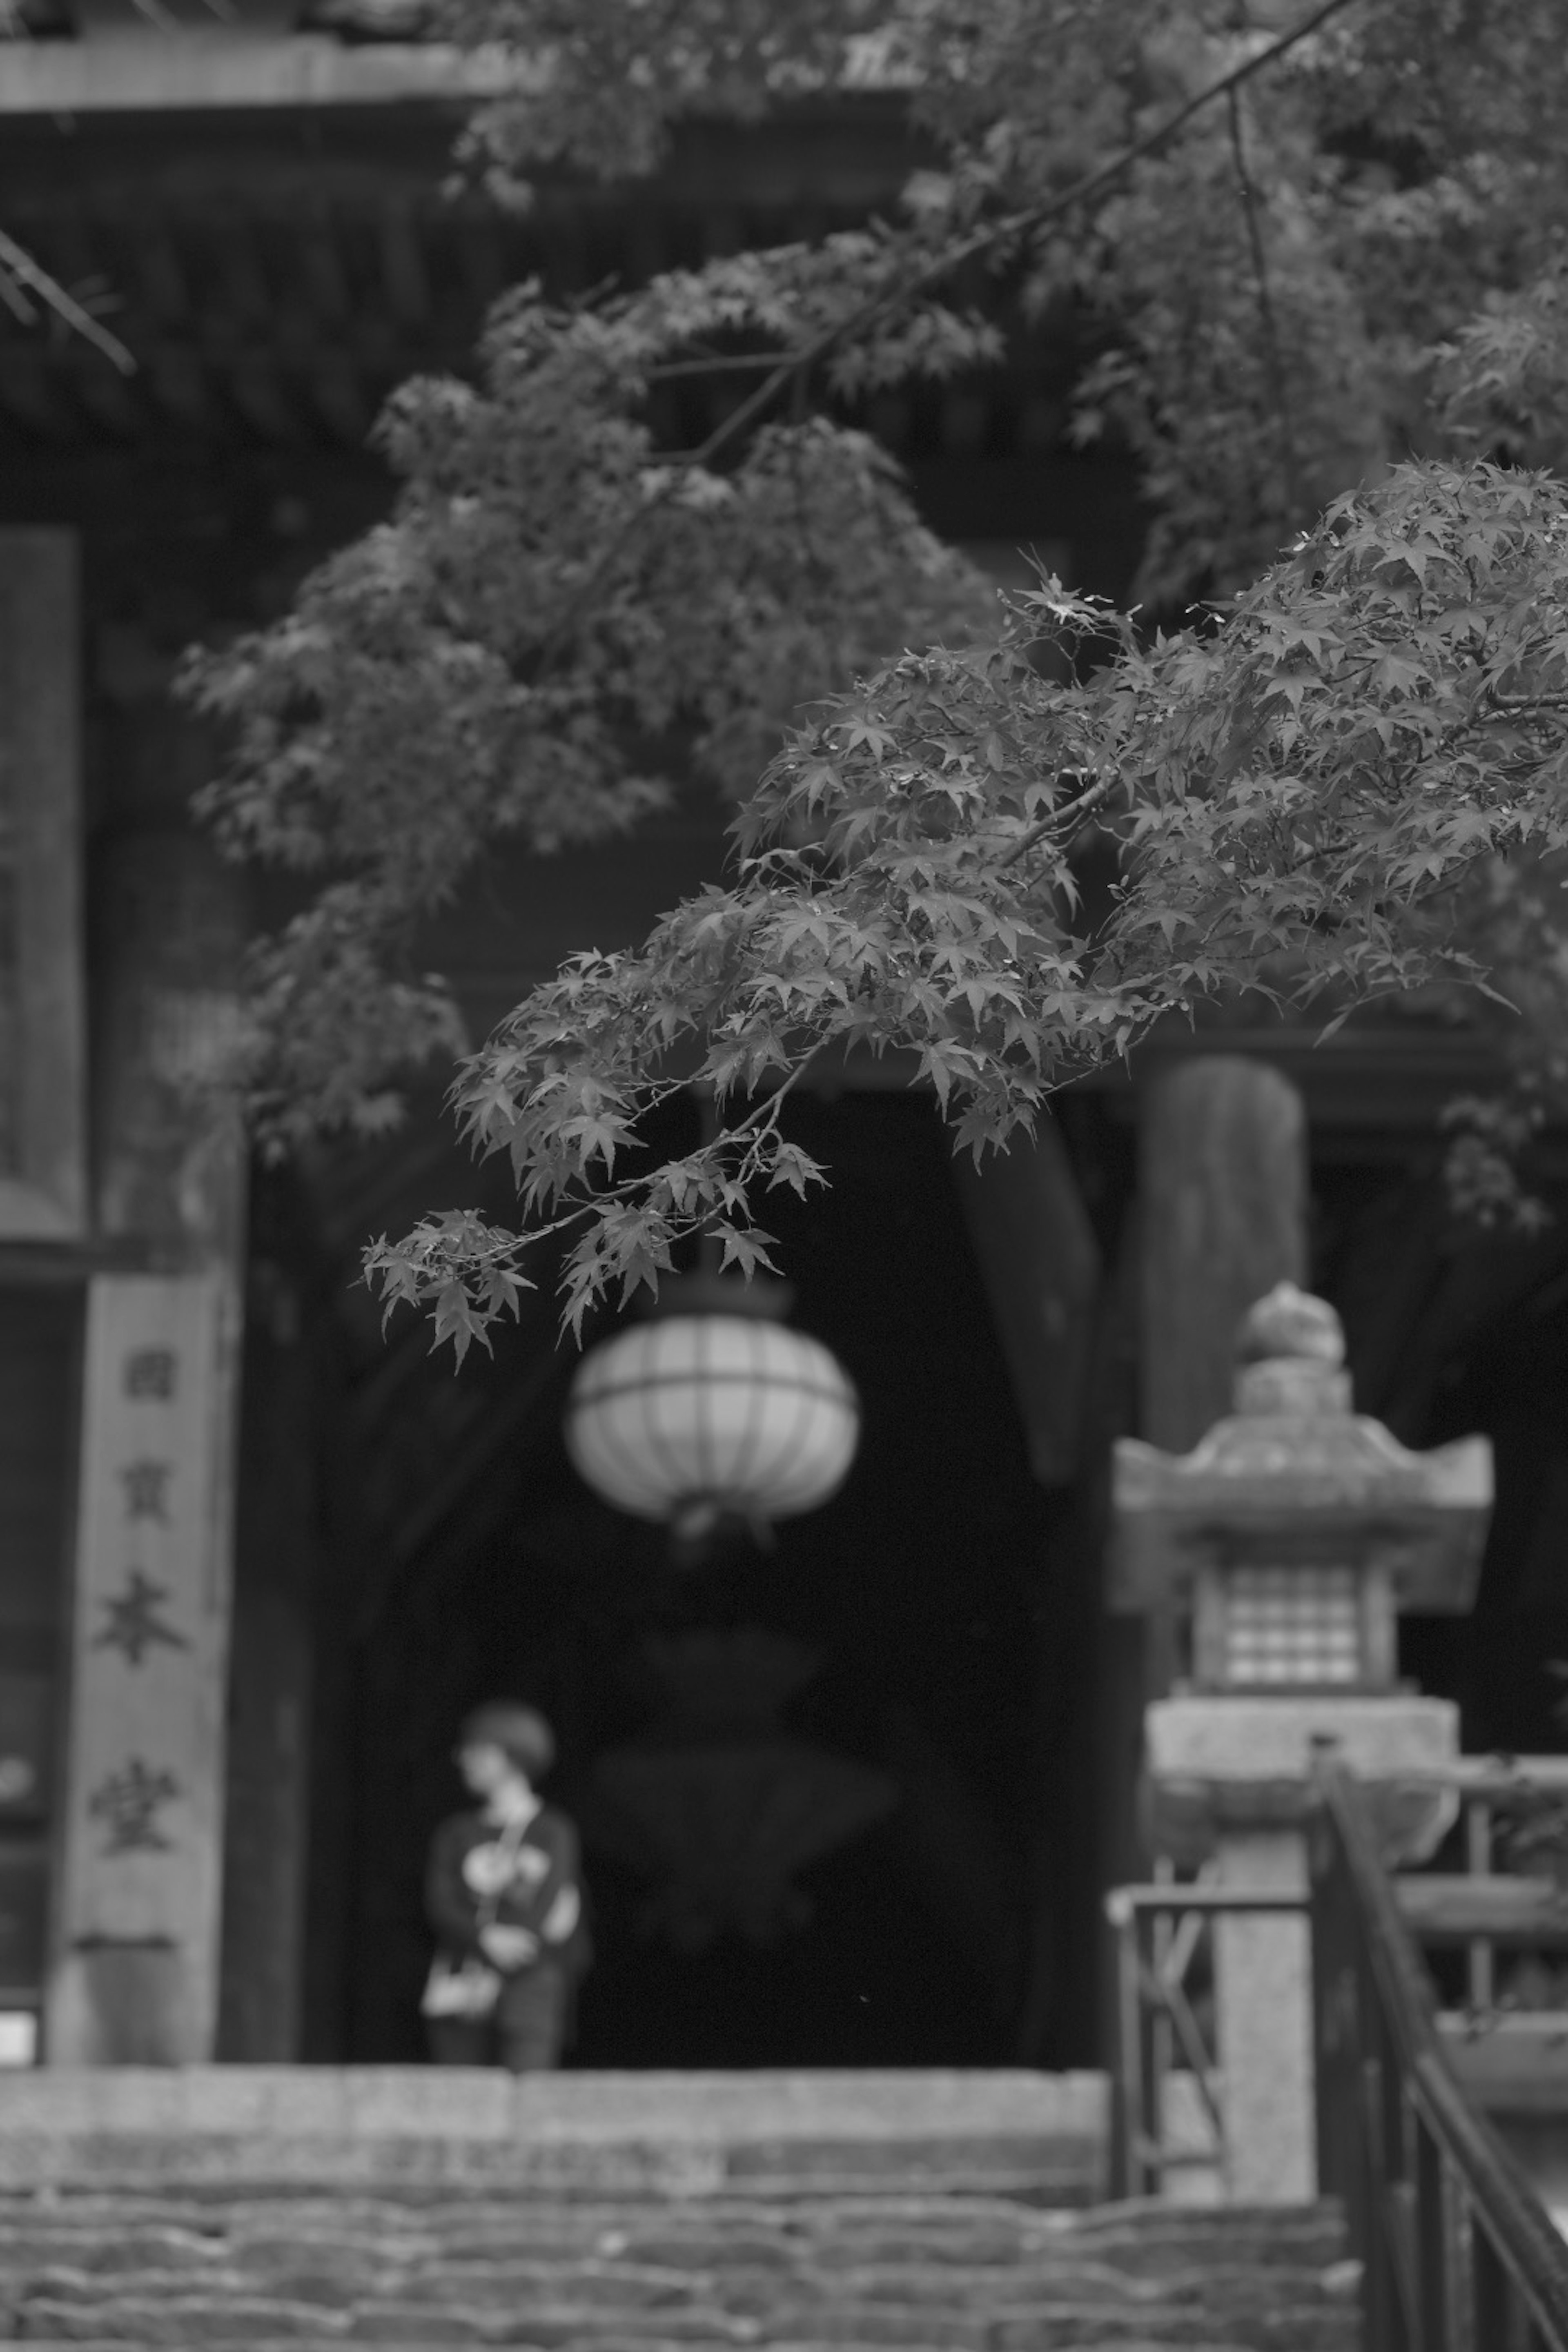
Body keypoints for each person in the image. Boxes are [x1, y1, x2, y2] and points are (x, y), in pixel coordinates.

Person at [422, 1701, 589, 2071]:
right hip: (462, 1978)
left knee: (528, 2085)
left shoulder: (552, 1831)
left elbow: (551, 1898)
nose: (466, 1760)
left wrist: (512, 1943)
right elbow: (440, 1902)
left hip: (530, 1979)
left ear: (513, 1756)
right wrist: (484, 1938)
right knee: (461, 2096)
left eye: (478, 1751)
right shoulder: (456, 1833)